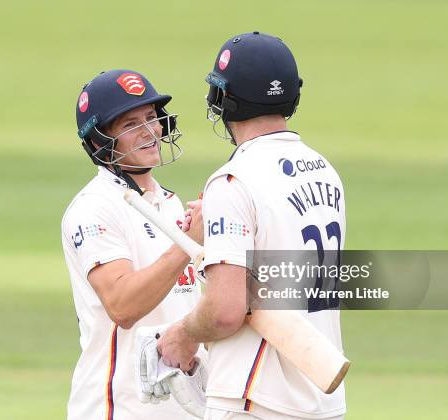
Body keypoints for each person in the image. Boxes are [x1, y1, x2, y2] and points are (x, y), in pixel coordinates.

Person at [158, 32, 347, 419]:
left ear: (224, 101)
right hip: (322, 398)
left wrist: (183, 334)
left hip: (257, 400)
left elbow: (227, 310)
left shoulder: (233, 181)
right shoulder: (325, 171)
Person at [61, 69, 202, 420]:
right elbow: (122, 306)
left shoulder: (169, 203)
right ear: (98, 141)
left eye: (152, 118)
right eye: (129, 124)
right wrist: (188, 244)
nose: (150, 132)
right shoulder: (93, 208)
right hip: (118, 410)